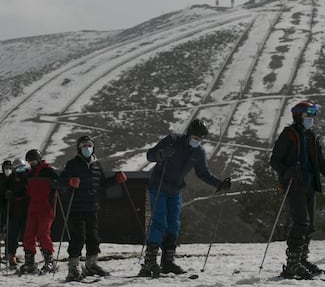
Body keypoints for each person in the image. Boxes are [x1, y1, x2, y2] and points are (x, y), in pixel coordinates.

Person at [139, 119, 232, 278]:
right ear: (189, 133)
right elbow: (150, 155)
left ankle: (167, 261)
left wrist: (219, 184)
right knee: (160, 221)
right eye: (196, 137)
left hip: (175, 190)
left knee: (174, 224)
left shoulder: (198, 152)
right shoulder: (173, 140)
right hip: (159, 186)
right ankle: (150, 260)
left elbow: (203, 173)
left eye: (201, 139)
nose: (198, 141)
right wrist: (161, 154)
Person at [270, 101, 325, 280]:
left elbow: (321, 164)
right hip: (294, 185)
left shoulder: (311, 137)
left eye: (313, 116)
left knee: (310, 225)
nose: (312, 119)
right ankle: (292, 265)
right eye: (309, 116)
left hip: (309, 186)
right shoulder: (289, 135)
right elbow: (274, 160)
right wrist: (286, 171)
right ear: (298, 117)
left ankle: (301, 260)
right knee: (301, 223)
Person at [60, 135, 127, 282]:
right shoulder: (72, 164)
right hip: (76, 207)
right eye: (83, 145)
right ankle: (73, 268)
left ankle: (91, 264)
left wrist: (116, 180)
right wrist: (70, 181)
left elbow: (102, 184)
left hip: (92, 207)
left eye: (89, 145)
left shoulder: (97, 165)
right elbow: (61, 182)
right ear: (79, 148)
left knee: (93, 237)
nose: (87, 148)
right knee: (78, 237)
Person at [20, 149, 59, 274]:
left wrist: (56, 184)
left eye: (33, 160)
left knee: (43, 234)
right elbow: (27, 191)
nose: (31, 162)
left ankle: (49, 261)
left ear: (38, 159)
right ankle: (30, 262)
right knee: (28, 234)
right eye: (29, 161)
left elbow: (60, 183)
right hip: (33, 207)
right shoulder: (30, 174)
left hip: (46, 207)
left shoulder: (48, 171)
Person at [0, 159, 30, 269]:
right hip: (14, 212)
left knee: (28, 236)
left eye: (22, 168)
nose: (21, 171)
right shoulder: (9, 181)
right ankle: (10, 255)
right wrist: (6, 196)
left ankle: (29, 257)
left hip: (27, 212)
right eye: (18, 168)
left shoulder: (28, 179)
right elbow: (2, 196)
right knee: (12, 235)